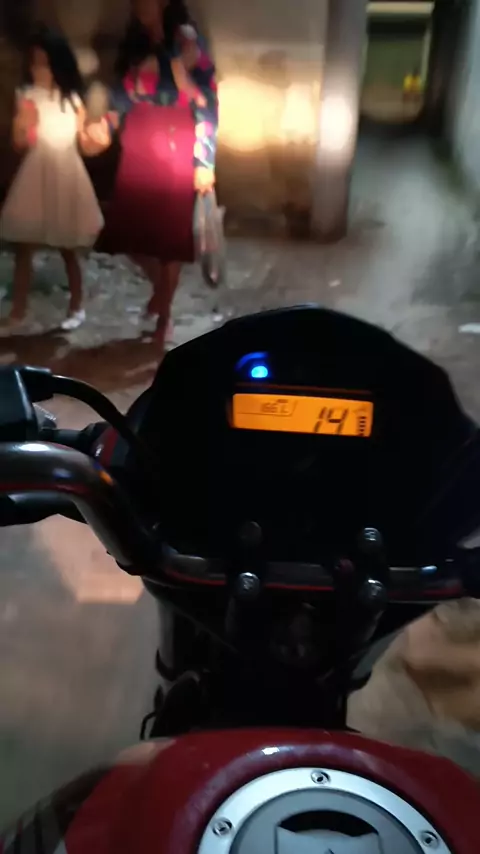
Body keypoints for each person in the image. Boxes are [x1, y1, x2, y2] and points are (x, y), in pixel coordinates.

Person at [86, 0, 218, 353]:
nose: (142, 6)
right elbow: (121, 96)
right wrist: (105, 125)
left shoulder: (187, 39)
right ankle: (161, 290)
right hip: (140, 143)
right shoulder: (136, 43)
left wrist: (205, 161)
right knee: (128, 231)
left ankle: (165, 317)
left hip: (177, 144)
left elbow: (206, 102)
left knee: (170, 239)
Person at [0, 26, 104, 334]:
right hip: (37, 170)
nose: (39, 70)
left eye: (45, 63)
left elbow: (84, 140)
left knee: (68, 246)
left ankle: (77, 305)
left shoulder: (72, 99)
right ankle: (18, 309)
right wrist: (24, 126)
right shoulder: (27, 96)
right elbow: (19, 142)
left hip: (67, 173)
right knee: (25, 246)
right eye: (35, 63)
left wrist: (97, 137)